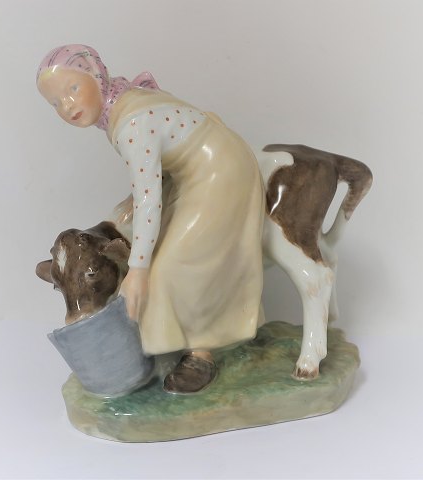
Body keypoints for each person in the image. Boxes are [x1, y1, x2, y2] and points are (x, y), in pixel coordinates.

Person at [37, 44, 265, 394]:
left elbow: (149, 201)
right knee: (154, 247)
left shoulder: (130, 124)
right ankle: (173, 337)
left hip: (219, 171)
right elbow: (155, 167)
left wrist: (139, 269)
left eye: (73, 89)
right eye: (55, 103)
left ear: (96, 75)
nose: (67, 106)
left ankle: (201, 352)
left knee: (168, 266)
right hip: (195, 169)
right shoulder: (122, 103)